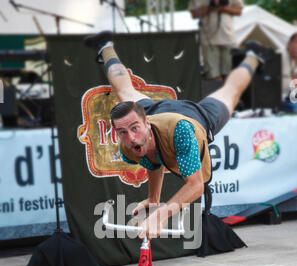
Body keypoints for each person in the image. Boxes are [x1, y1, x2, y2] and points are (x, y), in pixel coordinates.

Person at [85, 31, 268, 239]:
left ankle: (254, 56)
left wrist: (160, 215)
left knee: (231, 91)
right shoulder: (130, 143)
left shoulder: (181, 133)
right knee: (124, 91)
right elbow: (153, 159)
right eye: (123, 132)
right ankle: (106, 47)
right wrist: (153, 199)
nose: (131, 138)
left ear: (146, 123)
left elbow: (196, 185)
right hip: (158, 113)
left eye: (134, 129)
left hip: (196, 118)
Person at [188, 0, 243, 81]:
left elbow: (239, 11)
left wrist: (223, 8)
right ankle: (217, 91)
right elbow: (194, 14)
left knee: (230, 73)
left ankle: (228, 91)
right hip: (209, 40)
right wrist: (210, 7)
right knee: (213, 75)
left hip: (228, 37)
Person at [282, 32, 297, 99]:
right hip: (276, 100)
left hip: (290, 99)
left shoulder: (294, 59)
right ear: (289, 43)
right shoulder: (279, 56)